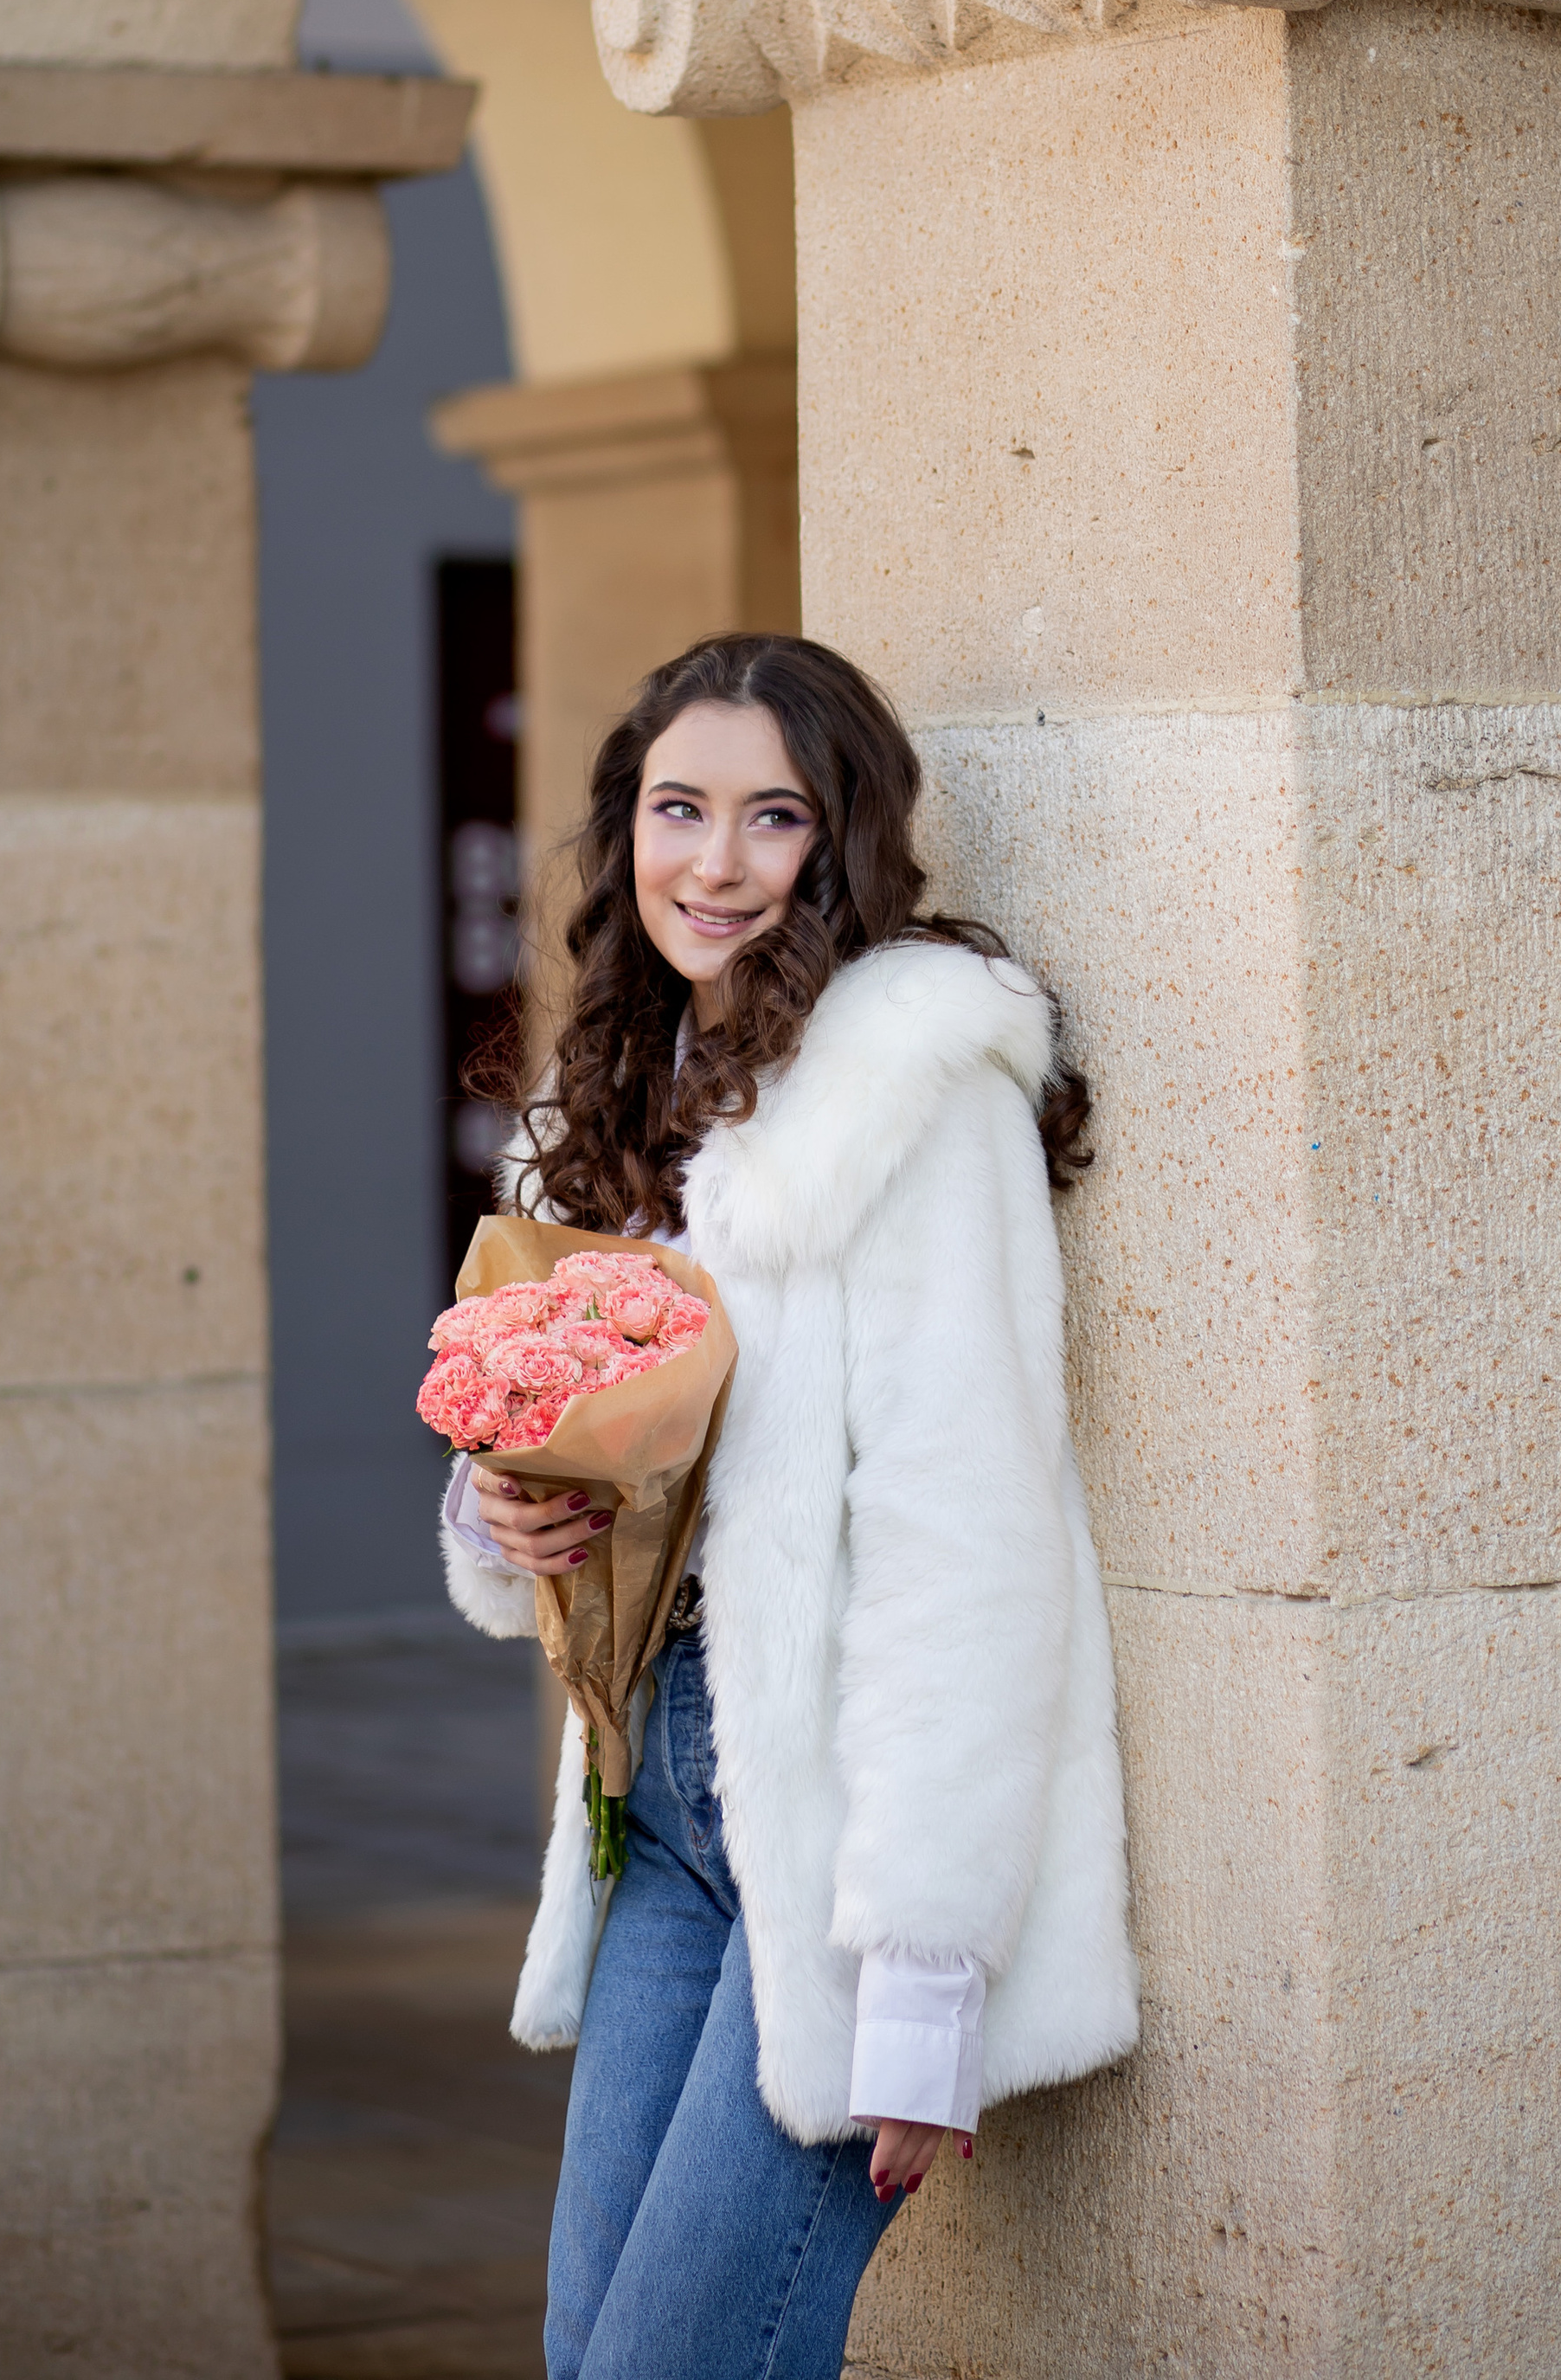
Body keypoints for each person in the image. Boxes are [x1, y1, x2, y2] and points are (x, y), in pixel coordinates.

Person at [437, 632, 1138, 2380]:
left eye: (774, 819)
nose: (718, 863)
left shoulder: (909, 1098)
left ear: (841, 845)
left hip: (840, 1834)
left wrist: (920, 1987)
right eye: (680, 810)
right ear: (627, 831)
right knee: (585, 2345)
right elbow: (542, 1439)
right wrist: (501, 1517)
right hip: (661, 1812)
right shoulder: (603, 1106)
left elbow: (963, 1541)